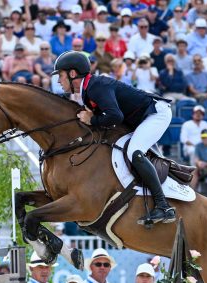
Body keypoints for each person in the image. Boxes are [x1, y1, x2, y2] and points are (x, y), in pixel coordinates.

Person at [52, 51, 175, 226]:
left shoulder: (96, 86)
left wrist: (92, 119)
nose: (58, 81)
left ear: (72, 74)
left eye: (61, 75)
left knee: (134, 151)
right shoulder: (88, 89)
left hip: (155, 114)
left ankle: (163, 205)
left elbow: (115, 116)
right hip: (138, 118)